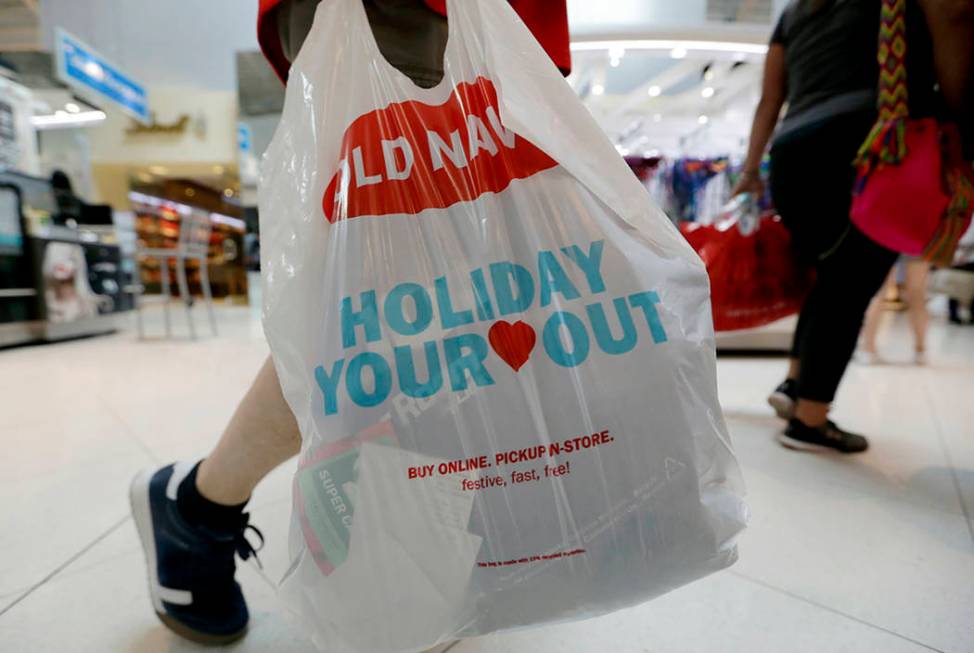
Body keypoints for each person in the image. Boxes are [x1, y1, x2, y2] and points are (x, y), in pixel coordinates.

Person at [128, 0, 569, 645]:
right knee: (393, 303)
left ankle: (198, 507)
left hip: (517, 23)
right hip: (400, 10)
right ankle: (230, 514)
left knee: (447, 303)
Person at [733, 0, 973, 453]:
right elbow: (956, 20)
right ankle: (810, 420)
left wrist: (750, 172)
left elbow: (771, 98)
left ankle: (794, 385)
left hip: (793, 153)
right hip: (871, 145)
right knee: (850, 284)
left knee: (829, 278)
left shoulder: (794, 11)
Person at [861, 259, 931, 364]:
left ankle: (868, 351)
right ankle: (920, 352)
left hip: (889, 244)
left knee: (879, 292)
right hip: (917, 246)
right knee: (917, 293)